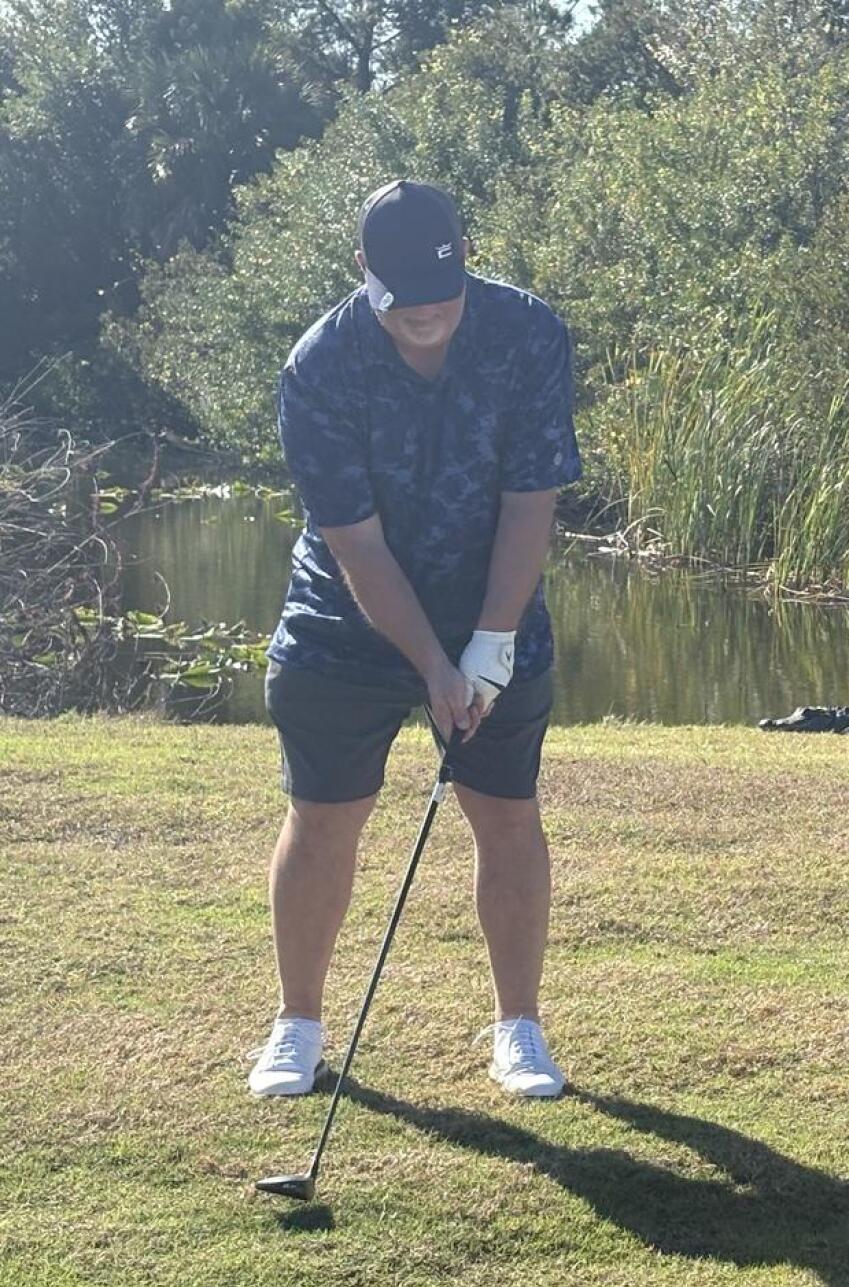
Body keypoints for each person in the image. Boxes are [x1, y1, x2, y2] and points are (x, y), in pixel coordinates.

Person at [246, 179, 581, 1100]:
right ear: (365, 275)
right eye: (406, 303)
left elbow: (530, 502)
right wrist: (433, 665)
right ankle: (298, 1026)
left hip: (492, 605)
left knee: (506, 811)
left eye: (443, 297)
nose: (428, 317)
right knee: (323, 815)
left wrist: (490, 645)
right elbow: (355, 541)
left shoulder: (527, 334)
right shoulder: (320, 366)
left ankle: (519, 1029)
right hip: (344, 618)